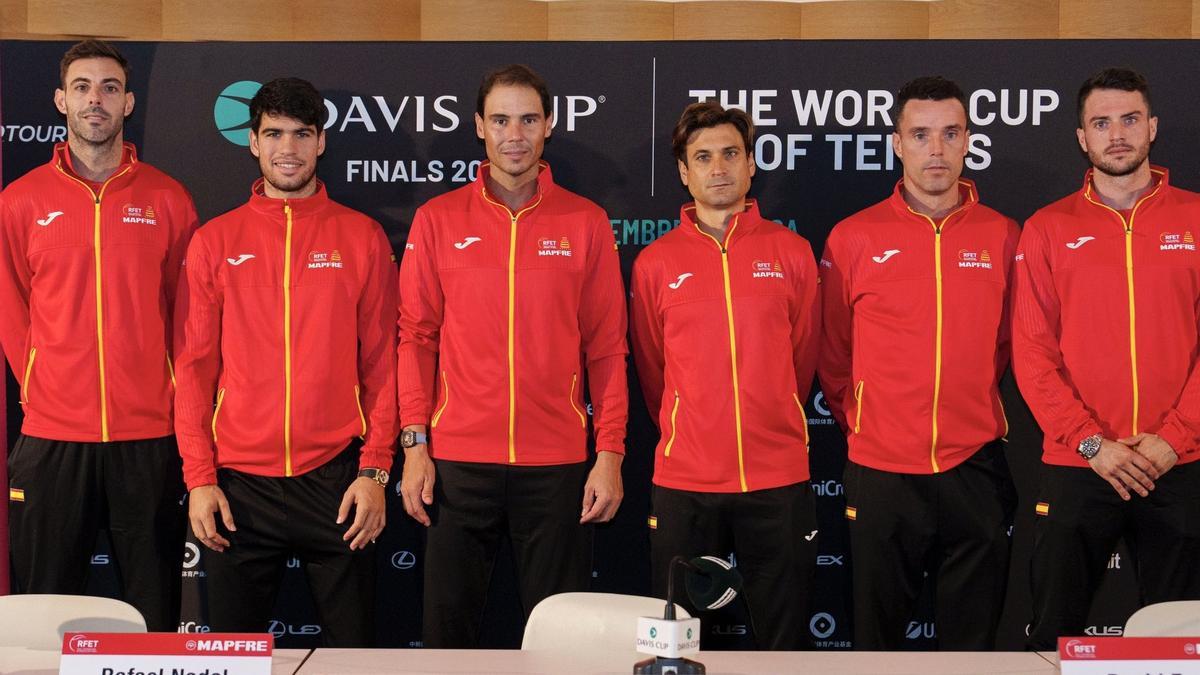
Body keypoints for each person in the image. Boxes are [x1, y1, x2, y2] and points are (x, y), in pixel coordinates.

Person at [397, 64, 627, 648]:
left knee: (563, 644)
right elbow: (416, 339)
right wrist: (415, 444)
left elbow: (606, 348)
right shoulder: (438, 219)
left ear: (548, 126)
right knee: (447, 637)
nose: (514, 134)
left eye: (528, 119)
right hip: (457, 466)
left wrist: (610, 454)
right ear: (479, 127)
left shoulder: (586, 221)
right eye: (500, 119)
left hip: (556, 466)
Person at [174, 77, 397, 645]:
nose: (288, 148)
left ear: (321, 141)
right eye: (273, 133)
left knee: (355, 659)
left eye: (302, 133)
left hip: (337, 481)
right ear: (252, 141)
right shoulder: (215, 241)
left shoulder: (364, 238)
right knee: (233, 657)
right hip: (239, 488)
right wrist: (200, 478)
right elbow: (194, 370)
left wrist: (374, 471)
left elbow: (383, 366)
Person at [0, 39, 197, 631]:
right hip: (53, 438)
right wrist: (43, 390)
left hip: (148, 437)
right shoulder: (20, 201)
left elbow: (185, 320)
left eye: (109, 88)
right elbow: (13, 311)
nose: (96, 100)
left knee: (153, 609)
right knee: (42, 612)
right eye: (82, 87)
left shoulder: (167, 198)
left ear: (128, 102)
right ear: (61, 100)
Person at [817, 76, 1019, 650]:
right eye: (921, 134)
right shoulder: (853, 237)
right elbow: (832, 353)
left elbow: (1008, 345)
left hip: (974, 465)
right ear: (897, 143)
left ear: (967, 141)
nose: (936, 149)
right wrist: (867, 418)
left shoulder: (1003, 235)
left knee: (972, 645)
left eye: (950, 134)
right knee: (875, 642)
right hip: (882, 467)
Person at [1013, 67, 1200, 650]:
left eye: (1128, 119)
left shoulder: (1196, 217)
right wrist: (1092, 443)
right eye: (1101, 123)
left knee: (1180, 640)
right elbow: (1032, 351)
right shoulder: (1047, 228)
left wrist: (1175, 437)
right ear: (1081, 138)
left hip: (1179, 463)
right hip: (1080, 464)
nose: (1116, 134)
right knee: (1053, 637)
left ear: (1152, 128)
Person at [629, 101, 820, 650]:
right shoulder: (656, 263)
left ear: (750, 163)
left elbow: (802, 357)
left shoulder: (792, 252)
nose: (719, 168)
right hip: (686, 482)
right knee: (677, 645)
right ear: (684, 173)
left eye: (731, 154)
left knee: (784, 645)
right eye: (703, 157)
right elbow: (652, 370)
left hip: (777, 477)